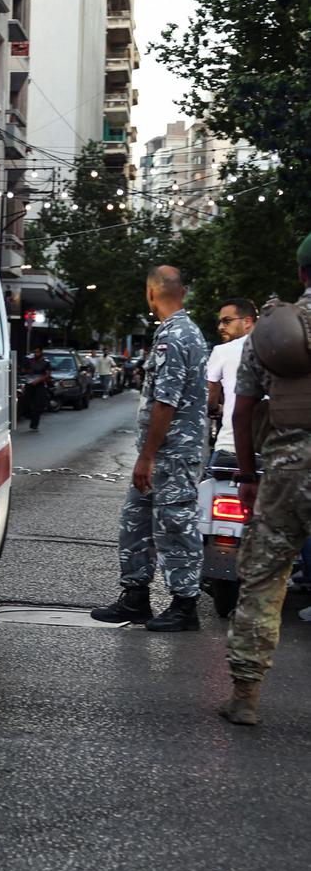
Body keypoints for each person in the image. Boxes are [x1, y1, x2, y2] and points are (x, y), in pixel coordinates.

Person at [91, 265, 209, 630]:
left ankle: (184, 605)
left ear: (151, 293)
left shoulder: (174, 336)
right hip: (163, 453)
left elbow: (166, 402)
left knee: (174, 524)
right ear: (183, 293)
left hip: (172, 453)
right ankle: (135, 597)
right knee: (136, 520)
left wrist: (146, 456)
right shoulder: (178, 332)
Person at [223, 240, 311, 724]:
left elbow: (241, 413)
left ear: (301, 275)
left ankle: (245, 697)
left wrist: (247, 473)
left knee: (263, 580)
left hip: (284, 474)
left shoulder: (275, 333)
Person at [207, 297, 256, 461]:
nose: (221, 327)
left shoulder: (222, 351)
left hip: (231, 446)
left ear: (247, 322)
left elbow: (209, 399)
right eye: (220, 322)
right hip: (273, 449)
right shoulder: (280, 347)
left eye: (227, 321)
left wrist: (217, 408)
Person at [20, 346, 52, 432]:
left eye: (38, 352)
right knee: (25, 401)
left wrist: (39, 380)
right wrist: (27, 371)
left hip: (39, 384)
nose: (36, 354)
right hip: (29, 383)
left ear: (41, 352)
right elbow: (22, 369)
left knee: (38, 404)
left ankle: (34, 424)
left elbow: (48, 374)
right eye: (35, 352)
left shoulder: (46, 362)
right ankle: (29, 415)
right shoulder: (29, 360)